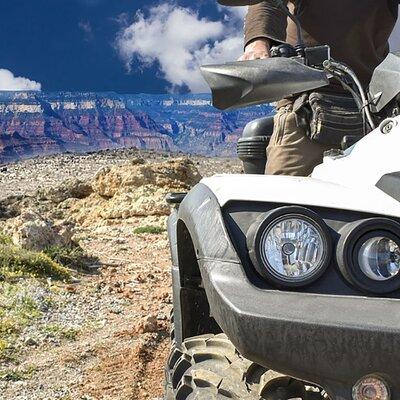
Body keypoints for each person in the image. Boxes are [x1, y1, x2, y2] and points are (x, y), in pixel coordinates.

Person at [240, 0, 399, 176]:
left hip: (376, 110)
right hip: (305, 108)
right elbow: (268, 3)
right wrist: (258, 44)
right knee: (286, 196)